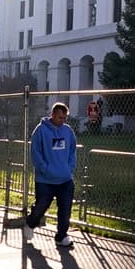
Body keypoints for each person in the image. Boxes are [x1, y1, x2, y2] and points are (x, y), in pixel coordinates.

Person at [24, 102, 77, 247]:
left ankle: (61, 236)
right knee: (41, 206)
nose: (63, 121)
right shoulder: (40, 131)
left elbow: (73, 151)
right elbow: (35, 153)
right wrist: (44, 168)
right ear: (52, 115)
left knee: (65, 209)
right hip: (45, 179)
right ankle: (30, 223)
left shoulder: (68, 131)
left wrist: (69, 168)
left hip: (65, 179)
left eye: (65, 118)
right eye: (60, 117)